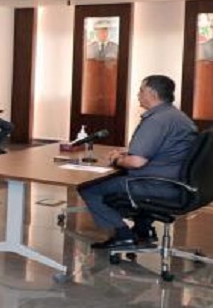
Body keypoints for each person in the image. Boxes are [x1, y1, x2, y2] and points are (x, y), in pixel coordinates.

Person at [79, 75, 197, 250]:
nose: (138, 94)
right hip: (175, 181)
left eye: (141, 90)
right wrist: (126, 153)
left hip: (155, 183)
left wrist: (117, 159)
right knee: (111, 181)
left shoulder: (157, 120)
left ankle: (123, 235)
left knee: (89, 188)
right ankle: (143, 228)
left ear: (152, 94)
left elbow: (136, 163)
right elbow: (163, 148)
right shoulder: (175, 116)